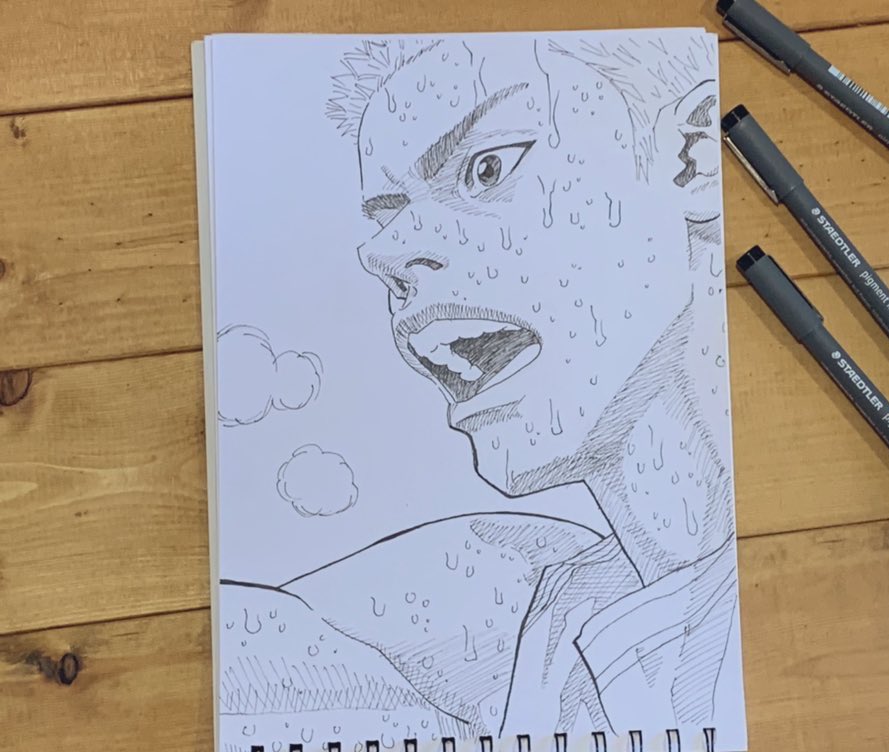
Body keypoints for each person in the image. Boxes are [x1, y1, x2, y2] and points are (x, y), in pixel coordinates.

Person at [269, 33, 737, 740]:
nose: (383, 253)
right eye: (389, 215)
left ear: (692, 159)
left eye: (485, 169)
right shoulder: (564, 623)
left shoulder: (761, 604)